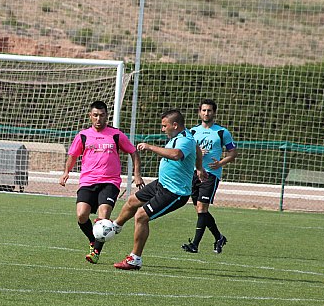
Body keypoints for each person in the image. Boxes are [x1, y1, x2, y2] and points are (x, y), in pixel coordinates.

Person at [112, 109, 205, 271]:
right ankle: (114, 227)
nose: (162, 129)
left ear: (175, 125)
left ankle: (135, 259)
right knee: (132, 201)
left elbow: (176, 154)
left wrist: (149, 147)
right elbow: (197, 149)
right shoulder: (181, 136)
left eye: (164, 126)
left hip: (175, 192)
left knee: (141, 216)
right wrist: (199, 168)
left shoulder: (184, 139)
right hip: (161, 184)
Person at [59, 100, 144, 264]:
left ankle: (96, 251)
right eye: (95, 115)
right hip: (88, 181)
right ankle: (93, 240)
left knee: (103, 218)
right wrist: (66, 172)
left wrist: (137, 174)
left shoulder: (116, 134)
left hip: (110, 182)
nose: (99, 119)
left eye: (102, 115)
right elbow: (73, 155)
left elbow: (133, 152)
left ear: (107, 116)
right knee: (81, 215)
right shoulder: (83, 135)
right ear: (90, 116)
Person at [181, 99, 237, 254]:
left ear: (214, 113)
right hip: (194, 173)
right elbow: (185, 152)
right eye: (204, 110)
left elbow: (233, 153)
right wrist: (197, 153)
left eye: (209, 110)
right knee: (200, 211)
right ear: (199, 112)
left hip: (211, 174)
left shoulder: (221, 132)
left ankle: (195, 245)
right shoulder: (192, 132)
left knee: (202, 208)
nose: (206, 113)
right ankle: (219, 237)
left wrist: (220, 163)